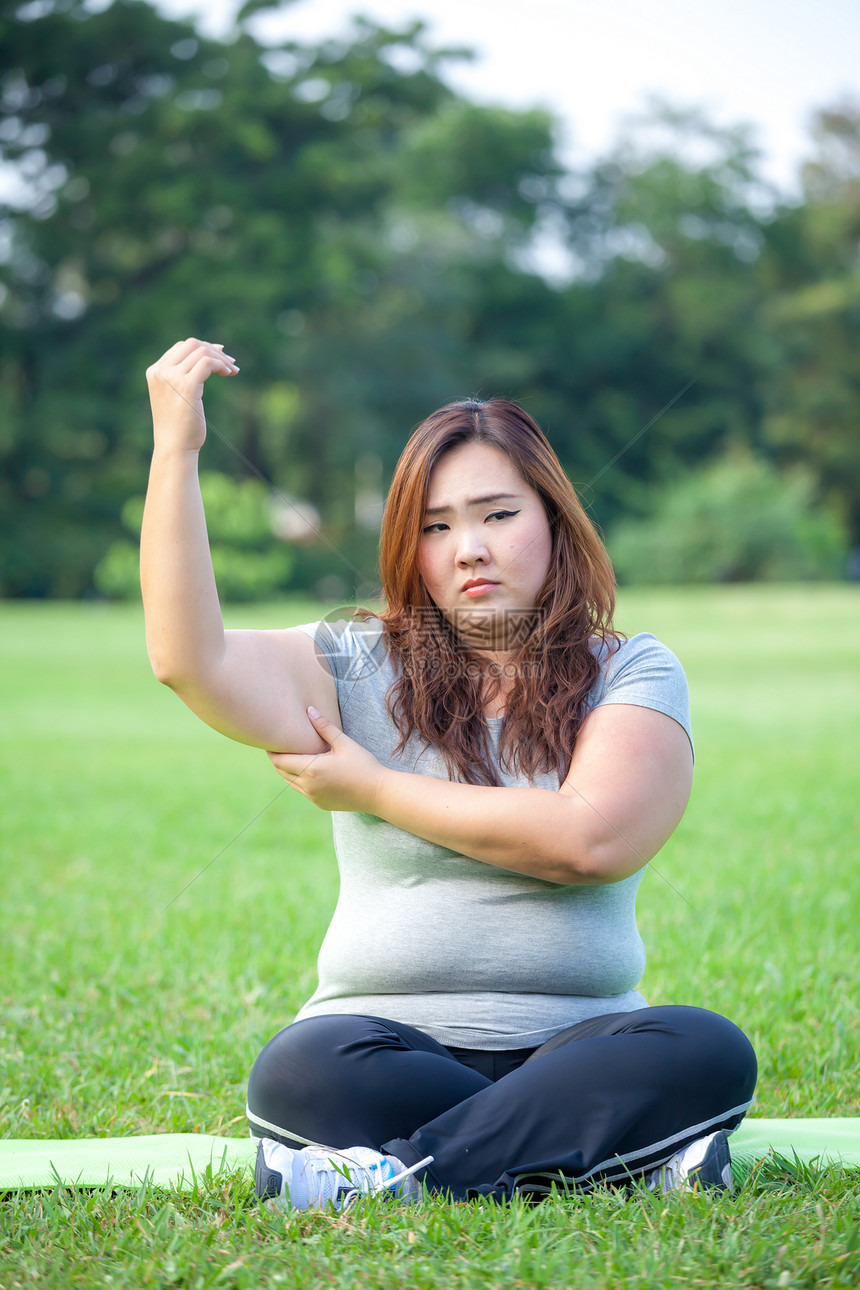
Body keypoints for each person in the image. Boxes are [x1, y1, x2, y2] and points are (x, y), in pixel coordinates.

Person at [142, 337, 757, 1211]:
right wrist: (178, 450)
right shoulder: (353, 662)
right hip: (381, 1049)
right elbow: (187, 660)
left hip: (580, 1043)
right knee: (301, 1070)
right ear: (410, 546)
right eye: (436, 525)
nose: (468, 548)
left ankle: (389, 1178)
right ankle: (617, 1150)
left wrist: (373, 788)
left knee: (703, 1048)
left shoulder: (632, 670)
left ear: (553, 519)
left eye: (497, 515)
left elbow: (593, 841)